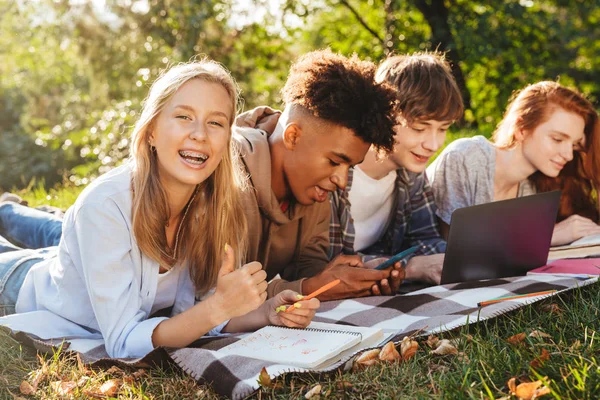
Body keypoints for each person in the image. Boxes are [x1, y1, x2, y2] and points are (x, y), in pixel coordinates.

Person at [0, 60, 319, 359]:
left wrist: (266, 312)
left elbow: (200, 316)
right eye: (184, 116)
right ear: (152, 130)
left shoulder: (215, 207)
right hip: (20, 287)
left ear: (227, 140)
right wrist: (220, 307)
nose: (199, 134)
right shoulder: (104, 204)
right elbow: (124, 343)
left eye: (215, 122)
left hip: (79, 267)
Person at [235, 49, 399, 301]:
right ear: (293, 136)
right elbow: (213, 293)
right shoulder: (228, 172)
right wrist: (308, 289)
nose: (341, 182)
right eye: (334, 161)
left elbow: (307, 266)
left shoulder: (314, 190)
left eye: (350, 167)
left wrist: (343, 279)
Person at [329, 53, 464, 295]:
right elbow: (323, 262)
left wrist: (468, 255)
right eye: (419, 128)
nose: (433, 144)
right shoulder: (335, 169)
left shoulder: (411, 175)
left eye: (442, 129)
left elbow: (426, 239)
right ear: (385, 114)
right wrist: (409, 267)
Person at [427, 81, 600, 246]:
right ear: (521, 129)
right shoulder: (467, 157)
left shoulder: (530, 190)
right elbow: (455, 248)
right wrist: (548, 235)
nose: (569, 155)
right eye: (557, 139)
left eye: (574, 145)